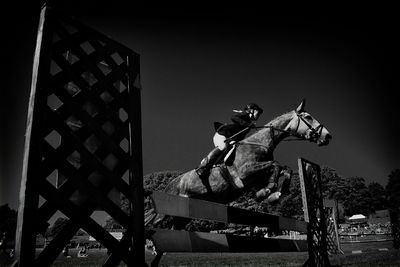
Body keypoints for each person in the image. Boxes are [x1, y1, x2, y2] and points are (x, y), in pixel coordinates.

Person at [196, 103, 263, 180]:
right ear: (251, 110)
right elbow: (234, 117)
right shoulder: (245, 114)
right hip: (222, 134)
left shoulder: (249, 123)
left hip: (230, 139)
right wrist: (247, 124)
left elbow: (240, 136)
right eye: (257, 112)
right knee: (223, 147)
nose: (258, 115)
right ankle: (202, 167)